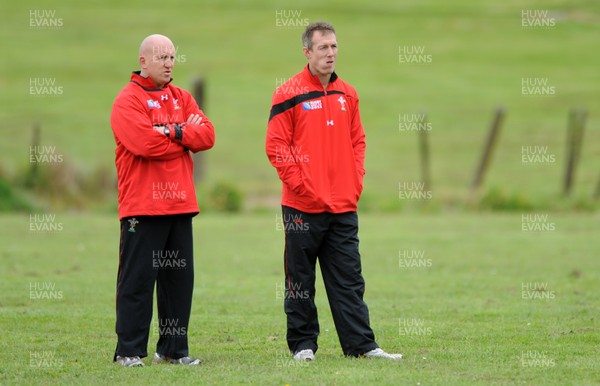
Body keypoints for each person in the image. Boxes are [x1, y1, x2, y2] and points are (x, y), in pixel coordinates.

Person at [266, 21, 403, 361]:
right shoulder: (288, 93)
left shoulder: (348, 94)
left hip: (342, 205)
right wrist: (301, 185)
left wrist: (355, 181)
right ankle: (303, 346)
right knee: (300, 281)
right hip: (302, 208)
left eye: (333, 47)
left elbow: (358, 141)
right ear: (307, 52)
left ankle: (361, 346)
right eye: (323, 48)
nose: (330, 53)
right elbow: (276, 146)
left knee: (349, 281)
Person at [110, 34, 215, 367]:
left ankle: (173, 350)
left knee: (178, 282)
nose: (169, 63)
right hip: (142, 207)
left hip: (180, 205)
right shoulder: (127, 101)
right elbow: (144, 144)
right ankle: (129, 351)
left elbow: (208, 135)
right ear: (143, 62)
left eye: (172, 57)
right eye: (162, 58)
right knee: (138, 281)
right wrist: (185, 135)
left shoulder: (182, 96)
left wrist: (171, 131)